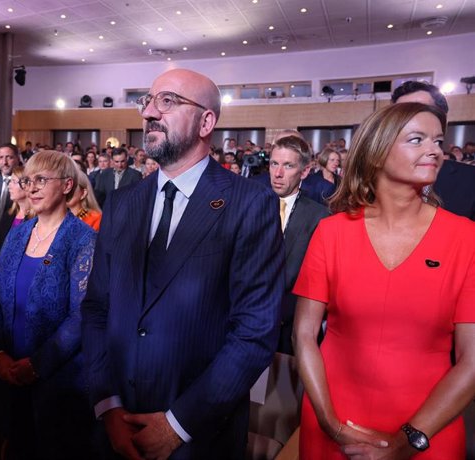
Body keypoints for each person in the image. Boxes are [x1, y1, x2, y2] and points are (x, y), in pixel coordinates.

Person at [82, 69, 284, 459]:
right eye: (148, 101)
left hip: (198, 436)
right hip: (115, 425)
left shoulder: (250, 204)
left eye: (168, 101)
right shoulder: (123, 203)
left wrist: (178, 425)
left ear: (207, 121)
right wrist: (107, 403)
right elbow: (96, 309)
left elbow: (254, 332)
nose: (149, 114)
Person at [293, 102, 475, 459]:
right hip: (333, 420)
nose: (434, 151)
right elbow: (303, 334)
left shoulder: (466, 238)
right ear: (376, 153)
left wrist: (408, 440)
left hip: (429, 428)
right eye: (417, 139)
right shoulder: (331, 233)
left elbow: (472, 359)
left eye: (438, 141)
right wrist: (329, 424)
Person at [0, 150, 97, 459]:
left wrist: (37, 365)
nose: (31, 187)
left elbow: (81, 315)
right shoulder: (18, 233)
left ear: (66, 186)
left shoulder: (83, 239)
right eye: (28, 180)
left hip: (58, 378)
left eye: (41, 180)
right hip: (9, 370)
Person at [268, 136, 328, 354]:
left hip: (293, 334)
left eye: (288, 165)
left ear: (304, 172)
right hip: (245, 329)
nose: (278, 173)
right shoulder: (249, 205)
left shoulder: (320, 217)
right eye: (274, 163)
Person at [392, 80, 475, 220]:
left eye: (421, 111)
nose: (409, 120)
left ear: (443, 123)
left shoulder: (470, 181)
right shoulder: (372, 179)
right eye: (400, 114)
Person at [68, 167, 102, 231]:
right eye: (65, 186)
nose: (67, 191)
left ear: (83, 193)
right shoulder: (58, 217)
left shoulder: (95, 218)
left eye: (72, 188)